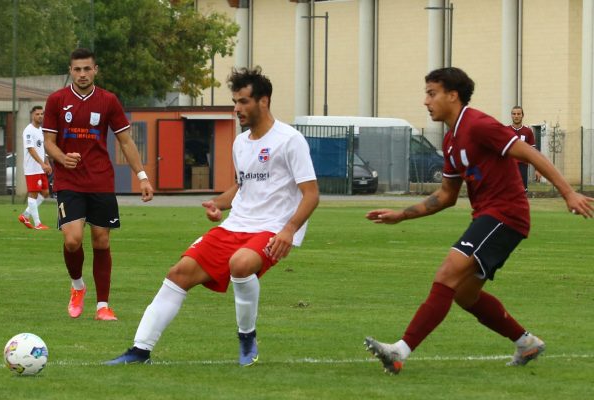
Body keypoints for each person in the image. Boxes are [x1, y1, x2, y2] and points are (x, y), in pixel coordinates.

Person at [364, 67, 593, 375]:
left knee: (448, 273)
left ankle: (400, 350)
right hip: (489, 216)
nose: (425, 101)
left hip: (505, 215)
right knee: (463, 293)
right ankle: (526, 342)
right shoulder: (450, 140)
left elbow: (531, 154)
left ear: (452, 95)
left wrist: (568, 193)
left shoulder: (479, 124)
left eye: (431, 93)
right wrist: (401, 215)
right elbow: (446, 195)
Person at [105, 66, 319, 366]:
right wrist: (220, 203)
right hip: (235, 226)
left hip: (271, 228)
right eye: (235, 101)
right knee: (178, 273)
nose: (237, 108)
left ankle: (247, 338)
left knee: (240, 264)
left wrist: (289, 230)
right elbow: (244, 185)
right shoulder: (240, 143)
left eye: (243, 101)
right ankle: (140, 351)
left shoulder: (289, 140)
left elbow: (311, 193)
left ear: (263, 101)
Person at [43, 48, 154, 321]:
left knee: (101, 241)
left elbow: (126, 141)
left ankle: (103, 305)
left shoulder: (108, 100)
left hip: (101, 179)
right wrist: (61, 158)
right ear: (70, 71)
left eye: (87, 69)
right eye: (77, 69)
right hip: (69, 180)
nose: (82, 74)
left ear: (95, 70)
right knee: (72, 241)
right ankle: (78, 286)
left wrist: (142, 176)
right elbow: (49, 143)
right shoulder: (57, 100)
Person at [18, 105, 52, 230]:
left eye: (42, 114)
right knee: (33, 194)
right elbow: (31, 149)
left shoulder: (40, 130)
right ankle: (37, 224)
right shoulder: (28, 130)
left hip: (40, 168)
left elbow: (41, 149)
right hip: (32, 169)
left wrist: (47, 163)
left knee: (45, 193)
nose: (40, 116)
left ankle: (25, 215)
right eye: (37, 114)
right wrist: (42, 164)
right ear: (32, 115)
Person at [509, 106, 541, 190]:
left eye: (518, 114)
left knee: (522, 193)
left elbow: (533, 153)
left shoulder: (528, 131)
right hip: (508, 166)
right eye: (514, 114)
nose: (516, 116)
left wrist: (537, 169)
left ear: (522, 115)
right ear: (511, 115)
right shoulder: (506, 131)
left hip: (522, 166)